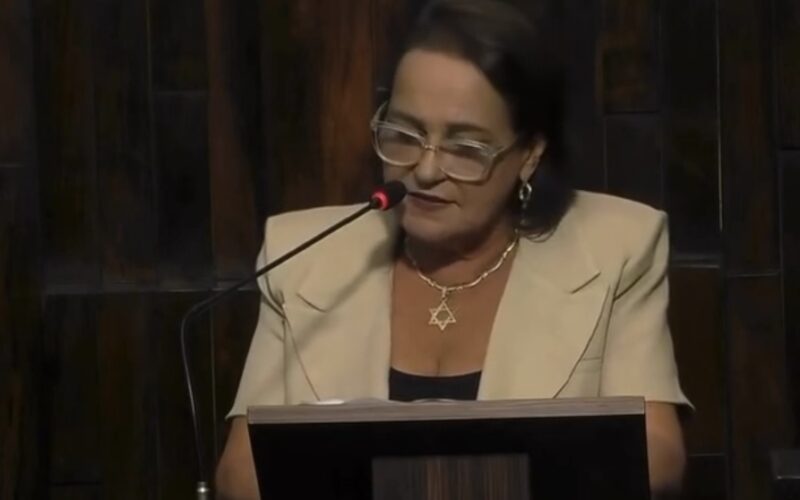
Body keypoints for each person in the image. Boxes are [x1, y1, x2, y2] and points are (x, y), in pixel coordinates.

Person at [215, 0, 691, 498]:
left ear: (529, 155)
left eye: (465, 148)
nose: (424, 170)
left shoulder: (617, 246)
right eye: (405, 134)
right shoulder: (302, 255)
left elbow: (656, 456)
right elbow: (241, 475)